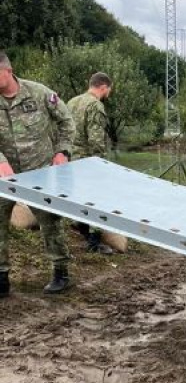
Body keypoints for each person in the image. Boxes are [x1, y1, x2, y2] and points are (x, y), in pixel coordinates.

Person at [0, 51, 75, 296]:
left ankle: (61, 272)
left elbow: (66, 122)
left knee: (50, 223)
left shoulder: (40, 93)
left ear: (8, 71)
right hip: (4, 176)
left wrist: (62, 151)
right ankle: (1, 278)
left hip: (40, 173)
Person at [67, 72, 114, 254]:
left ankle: (79, 225)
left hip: (71, 159)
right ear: (103, 87)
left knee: (78, 195)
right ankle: (94, 242)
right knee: (97, 198)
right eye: (109, 90)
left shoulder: (72, 102)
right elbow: (96, 140)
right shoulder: (95, 105)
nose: (108, 93)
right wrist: (101, 164)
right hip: (88, 161)